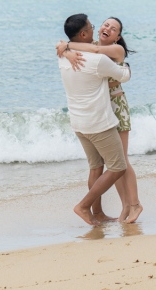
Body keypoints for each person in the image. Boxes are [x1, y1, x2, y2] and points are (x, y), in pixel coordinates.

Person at [57, 17, 142, 223]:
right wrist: (65, 49)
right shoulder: (91, 46)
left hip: (116, 107)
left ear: (118, 37)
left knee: (121, 160)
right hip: (101, 107)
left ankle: (135, 204)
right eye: (105, 25)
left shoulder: (115, 51)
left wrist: (66, 46)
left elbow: (92, 53)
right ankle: (124, 207)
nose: (107, 29)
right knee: (110, 164)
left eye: (113, 29)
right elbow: (82, 49)